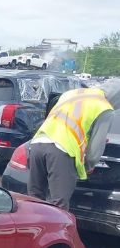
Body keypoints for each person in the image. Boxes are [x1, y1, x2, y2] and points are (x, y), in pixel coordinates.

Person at [28, 80, 120, 209]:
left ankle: (32, 227)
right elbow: (95, 150)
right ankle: (55, 229)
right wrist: (89, 166)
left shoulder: (72, 94)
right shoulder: (105, 108)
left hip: (38, 143)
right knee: (59, 206)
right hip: (61, 151)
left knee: (34, 198)